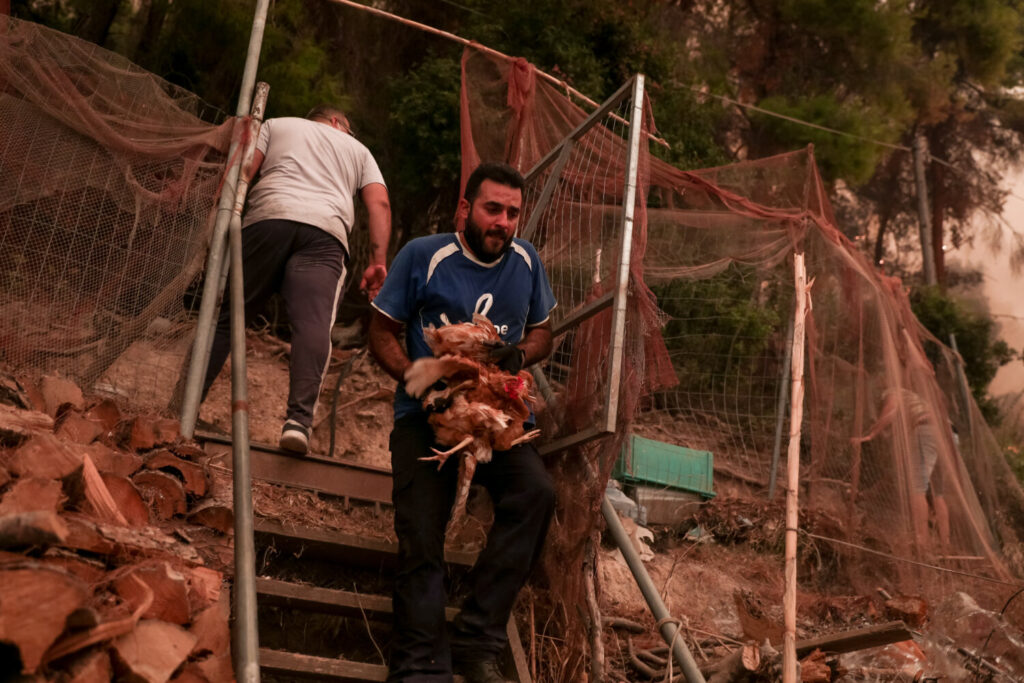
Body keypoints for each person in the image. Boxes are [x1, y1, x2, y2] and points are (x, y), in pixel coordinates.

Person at [368, 162, 557, 683]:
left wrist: (518, 355)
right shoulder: (424, 255)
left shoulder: (526, 261)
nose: (502, 221)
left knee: (537, 494)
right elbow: (381, 330)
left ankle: (477, 638)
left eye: (512, 212)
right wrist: (418, 380)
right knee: (422, 536)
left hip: (497, 417)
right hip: (425, 418)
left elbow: (543, 331)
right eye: (493, 208)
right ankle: (420, 666)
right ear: (465, 208)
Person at [201, 104, 391, 454]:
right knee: (313, 326)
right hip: (324, 234)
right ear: (337, 123)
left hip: (267, 218)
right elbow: (379, 203)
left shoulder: (275, 126)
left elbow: (243, 172)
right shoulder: (358, 150)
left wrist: (218, 215)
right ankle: (298, 423)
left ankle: (187, 402)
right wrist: (378, 262)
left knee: (229, 319)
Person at [854, 387, 951, 553]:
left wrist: (870, 435)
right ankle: (945, 543)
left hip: (927, 430)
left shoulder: (892, 391)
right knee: (937, 493)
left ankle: (922, 543)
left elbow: (890, 412)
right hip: (948, 432)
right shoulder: (916, 399)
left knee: (917, 489)